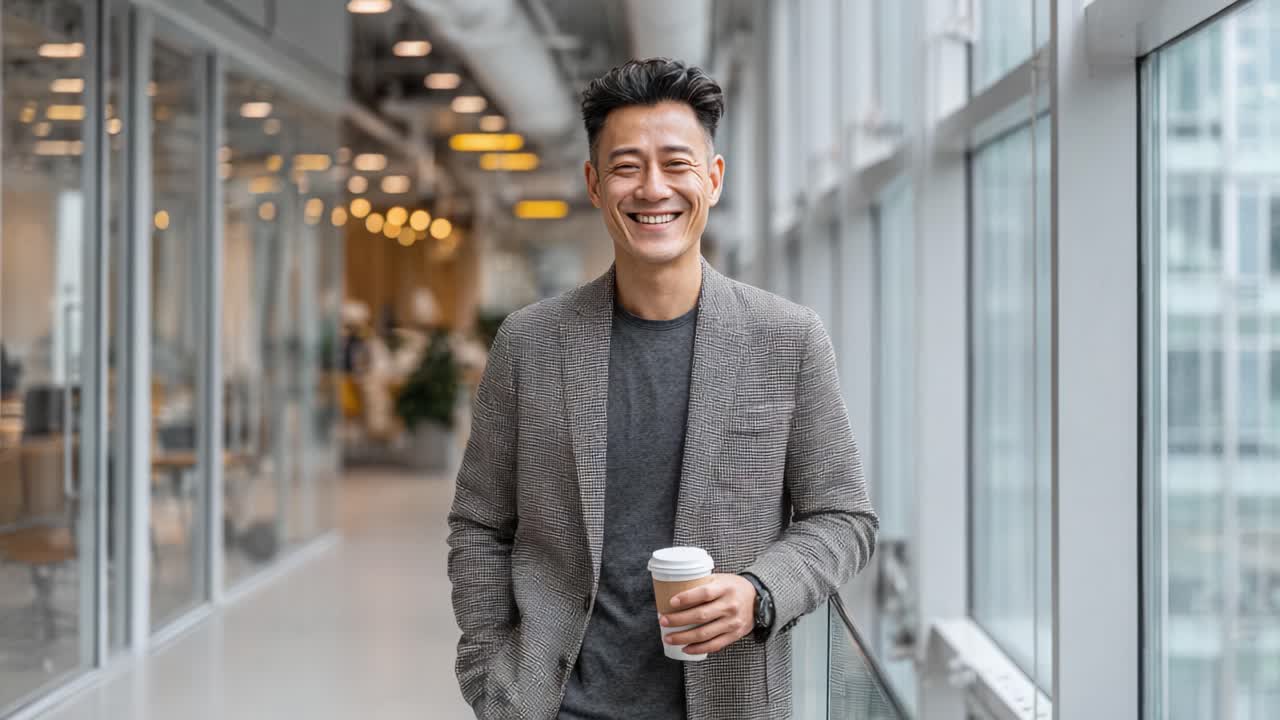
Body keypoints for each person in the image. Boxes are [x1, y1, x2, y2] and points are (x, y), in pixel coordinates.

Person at [447, 57, 878, 719]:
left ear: (714, 176)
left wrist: (760, 592)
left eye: (676, 163)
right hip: (556, 706)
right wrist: (491, 681)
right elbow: (481, 525)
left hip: (727, 701)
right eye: (626, 166)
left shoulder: (786, 339)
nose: (653, 188)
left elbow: (843, 519)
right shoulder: (529, 344)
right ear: (594, 183)